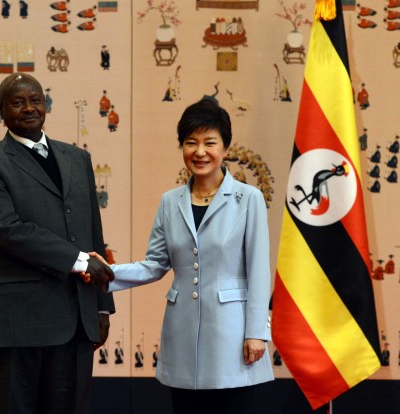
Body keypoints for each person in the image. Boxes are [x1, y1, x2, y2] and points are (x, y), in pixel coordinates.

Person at [91, 99, 273, 413]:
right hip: (182, 332)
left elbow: (258, 270)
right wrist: (106, 272)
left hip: (233, 335)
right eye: (191, 143)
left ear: (225, 149)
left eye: (209, 142)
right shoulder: (169, 201)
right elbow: (155, 264)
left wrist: (256, 332)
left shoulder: (249, 199)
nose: (200, 151)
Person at [0, 72, 115, 414]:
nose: (29, 108)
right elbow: (8, 229)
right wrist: (77, 260)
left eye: (35, 100)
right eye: (17, 102)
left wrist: (102, 306)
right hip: (16, 323)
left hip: (76, 318)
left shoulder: (77, 158)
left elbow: (93, 233)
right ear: (1, 110)